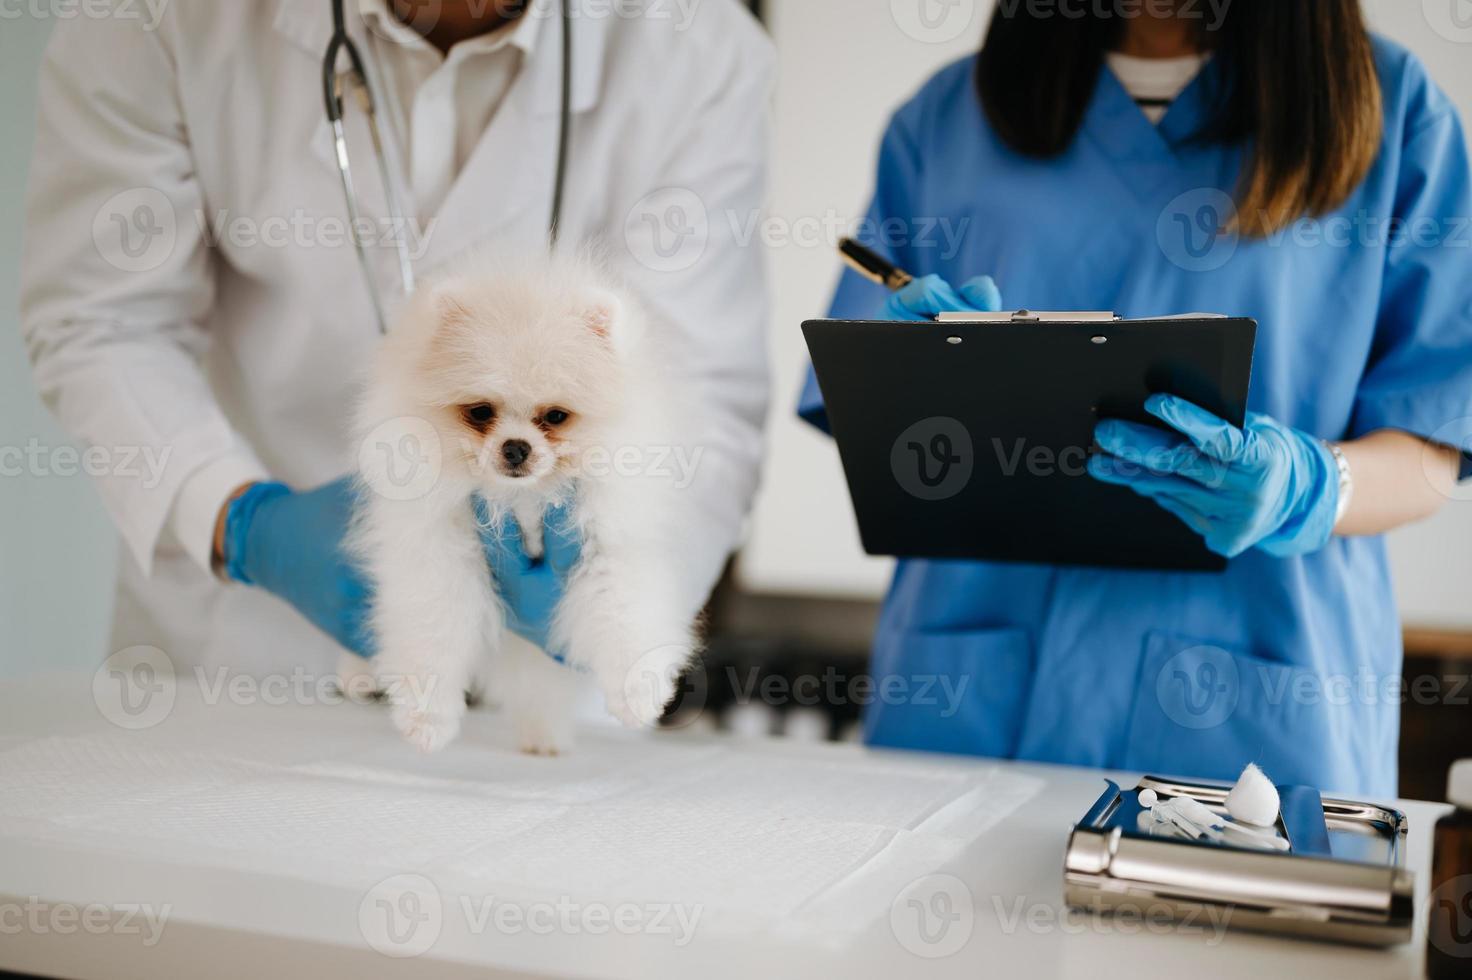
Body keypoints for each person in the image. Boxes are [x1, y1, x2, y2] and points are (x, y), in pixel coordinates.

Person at [800, 1, 1472, 797]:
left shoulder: (1391, 110)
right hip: (964, 699)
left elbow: (1436, 436)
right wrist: (907, 376)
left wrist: (1311, 486)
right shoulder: (950, 114)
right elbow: (859, 405)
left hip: (1258, 710)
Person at [21, 0, 772, 681]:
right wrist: (240, 519)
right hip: (246, 647)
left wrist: (620, 584)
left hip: (543, 692)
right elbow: (104, 317)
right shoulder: (157, 16)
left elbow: (700, 385)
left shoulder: (698, 48)